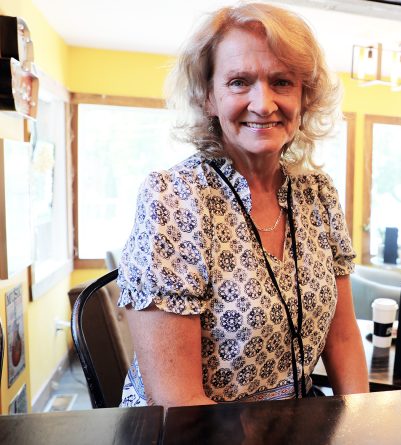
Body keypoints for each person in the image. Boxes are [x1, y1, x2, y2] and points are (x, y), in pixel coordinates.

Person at [116, 2, 368, 407]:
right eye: (239, 82)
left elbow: (341, 336)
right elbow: (179, 404)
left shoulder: (318, 194)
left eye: (282, 82)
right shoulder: (174, 200)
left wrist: (362, 424)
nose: (264, 103)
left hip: (292, 426)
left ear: (304, 98)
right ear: (209, 98)